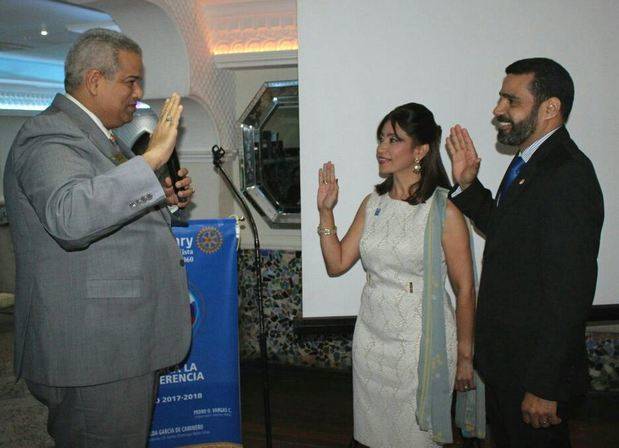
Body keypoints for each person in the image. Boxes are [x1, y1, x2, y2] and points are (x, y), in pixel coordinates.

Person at [3, 29, 194, 447]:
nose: (139, 92)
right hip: (93, 353)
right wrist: (152, 160)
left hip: (119, 344)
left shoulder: (104, 140)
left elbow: (111, 211)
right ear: (93, 80)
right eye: (131, 81)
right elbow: (70, 216)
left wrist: (163, 198)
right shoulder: (49, 134)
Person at [446, 58, 604, 447]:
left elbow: (570, 292)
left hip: (535, 377)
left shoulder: (568, 174)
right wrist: (469, 186)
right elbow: (507, 233)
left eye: (510, 101)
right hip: (508, 366)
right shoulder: (529, 161)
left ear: (550, 108)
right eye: (501, 99)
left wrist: (544, 385)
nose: (497, 110)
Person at [317, 103, 478, 447]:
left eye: (394, 139)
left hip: (420, 345)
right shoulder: (372, 203)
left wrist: (466, 357)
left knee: (414, 438)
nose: (382, 148)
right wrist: (325, 212)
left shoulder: (443, 210)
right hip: (372, 339)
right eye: (381, 139)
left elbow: (465, 290)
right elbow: (337, 263)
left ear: (420, 150)